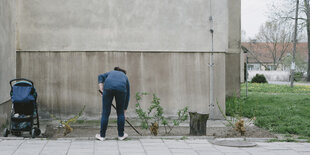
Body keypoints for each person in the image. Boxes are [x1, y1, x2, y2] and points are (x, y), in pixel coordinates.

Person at [95, 67, 130, 141]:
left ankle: (102, 136)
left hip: (108, 88)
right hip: (121, 89)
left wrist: (101, 87)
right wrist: (124, 111)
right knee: (120, 113)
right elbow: (128, 95)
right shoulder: (125, 77)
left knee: (105, 113)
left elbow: (100, 76)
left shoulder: (110, 73)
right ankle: (121, 135)